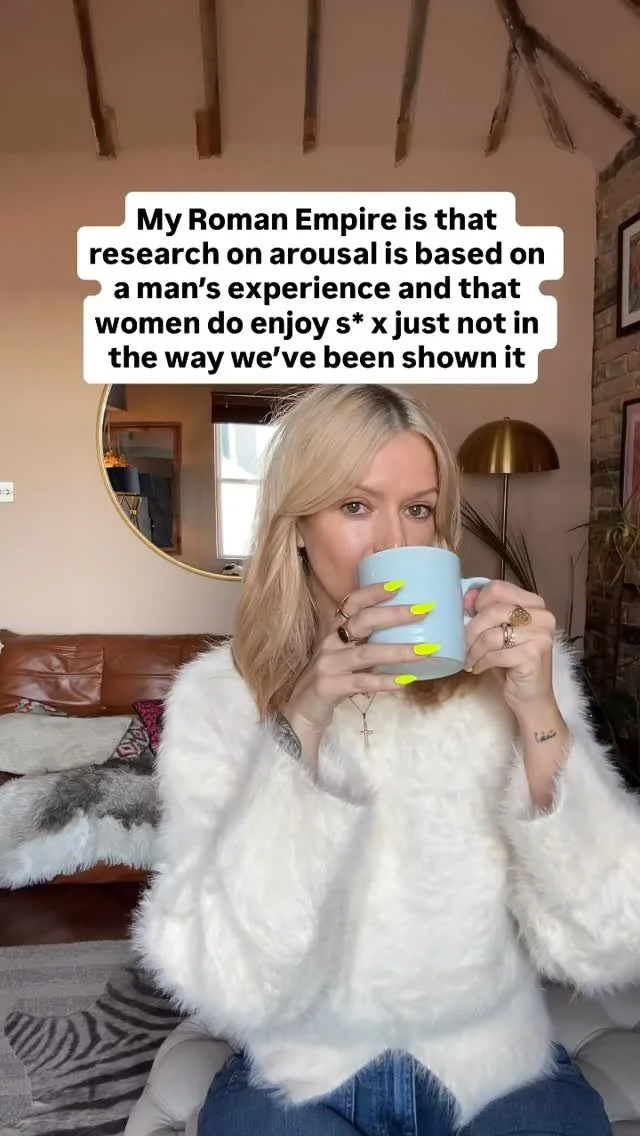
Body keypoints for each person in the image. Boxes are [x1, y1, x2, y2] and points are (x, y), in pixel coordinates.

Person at [132, 383, 640, 1136]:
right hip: (304, 1065)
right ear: (296, 528)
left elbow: (608, 932)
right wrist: (303, 720)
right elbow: (221, 969)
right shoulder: (219, 697)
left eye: (419, 509)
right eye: (355, 505)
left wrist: (538, 709)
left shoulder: (511, 680)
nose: (393, 544)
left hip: (490, 1056)